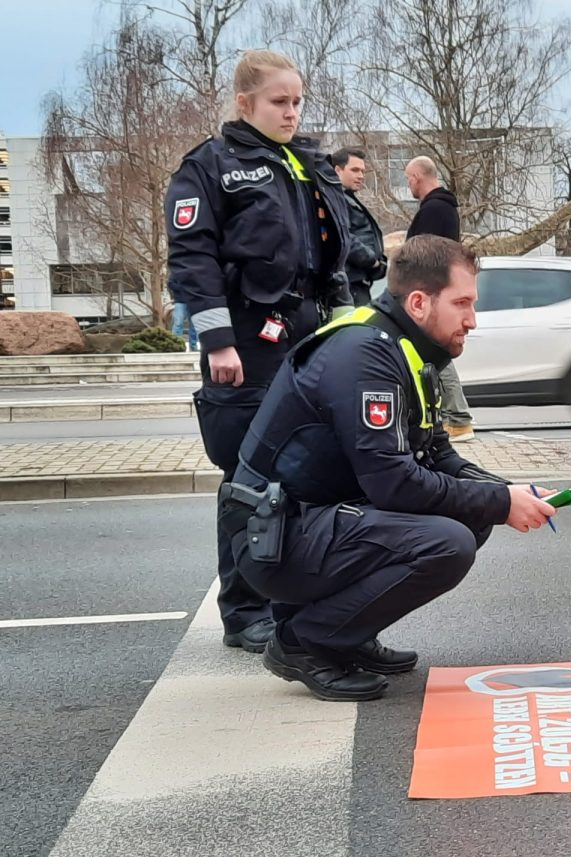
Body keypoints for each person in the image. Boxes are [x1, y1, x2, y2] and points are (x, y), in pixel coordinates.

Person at [222, 236, 556, 701]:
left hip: (308, 520)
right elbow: (394, 484)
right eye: (461, 303)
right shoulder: (365, 357)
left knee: (470, 516)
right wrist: (500, 503)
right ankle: (304, 641)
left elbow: (437, 455)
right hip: (275, 537)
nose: (472, 320)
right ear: (419, 302)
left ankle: (345, 634)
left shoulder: (404, 349)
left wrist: (505, 491)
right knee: (447, 543)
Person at [165, 49, 352, 653]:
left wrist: (346, 330)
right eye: (279, 102)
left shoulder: (306, 163)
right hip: (246, 341)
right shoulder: (211, 166)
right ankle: (244, 610)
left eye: (297, 101)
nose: (292, 112)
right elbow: (192, 257)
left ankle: (289, 596)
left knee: (306, 470)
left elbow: (333, 256)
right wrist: (217, 339)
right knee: (248, 476)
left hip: (307, 333)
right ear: (245, 103)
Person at [404, 155, 474, 443]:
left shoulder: (432, 211)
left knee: (433, 349)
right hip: (437, 287)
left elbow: (423, 253)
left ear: (417, 177)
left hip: (429, 290)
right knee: (432, 350)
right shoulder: (446, 209)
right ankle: (453, 417)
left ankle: (457, 417)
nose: (408, 184)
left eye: (408, 178)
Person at [332, 147, 387, 309]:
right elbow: (344, 236)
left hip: (357, 282)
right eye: (355, 170)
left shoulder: (346, 198)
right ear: (337, 170)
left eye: (363, 171)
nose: (361, 176)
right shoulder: (337, 199)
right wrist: (373, 261)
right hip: (350, 284)